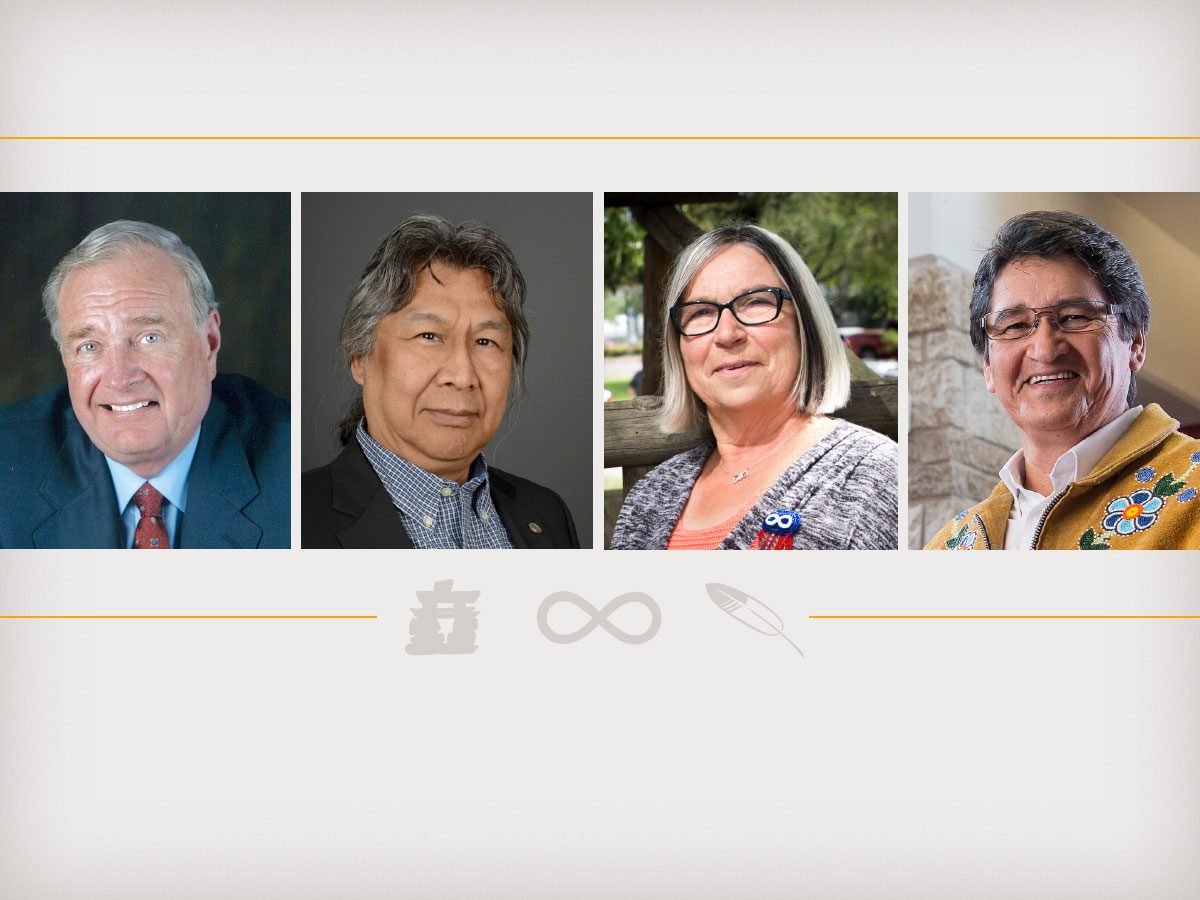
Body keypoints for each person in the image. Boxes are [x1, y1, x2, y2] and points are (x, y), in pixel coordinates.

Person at [0, 220, 290, 549]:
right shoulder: (8, 465)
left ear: (208, 343)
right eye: (89, 346)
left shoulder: (290, 472)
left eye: (149, 337)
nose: (119, 378)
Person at [610, 223, 898, 550]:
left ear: (805, 323)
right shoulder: (650, 496)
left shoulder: (874, 477)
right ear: (678, 345)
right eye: (701, 312)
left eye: (756, 302)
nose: (727, 334)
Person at [926, 211, 1200, 550]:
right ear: (988, 367)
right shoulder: (948, 545)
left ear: (1135, 344)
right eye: (1015, 326)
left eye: (1074, 317)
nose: (1044, 349)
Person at [301, 214, 579, 549]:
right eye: (429, 336)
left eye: (485, 341)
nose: (462, 377)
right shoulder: (299, 523)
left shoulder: (547, 514)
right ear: (360, 356)